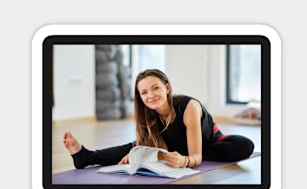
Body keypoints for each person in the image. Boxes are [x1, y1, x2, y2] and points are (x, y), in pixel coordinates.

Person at [63, 69, 254, 169]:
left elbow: (196, 157)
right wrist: (140, 153)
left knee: (244, 145)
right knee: (133, 148)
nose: (151, 95)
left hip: (207, 143)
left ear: (167, 87)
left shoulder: (189, 107)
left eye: (155, 88)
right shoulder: (148, 115)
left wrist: (185, 161)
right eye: (144, 92)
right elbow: (145, 145)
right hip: (172, 147)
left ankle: (168, 153)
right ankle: (85, 156)